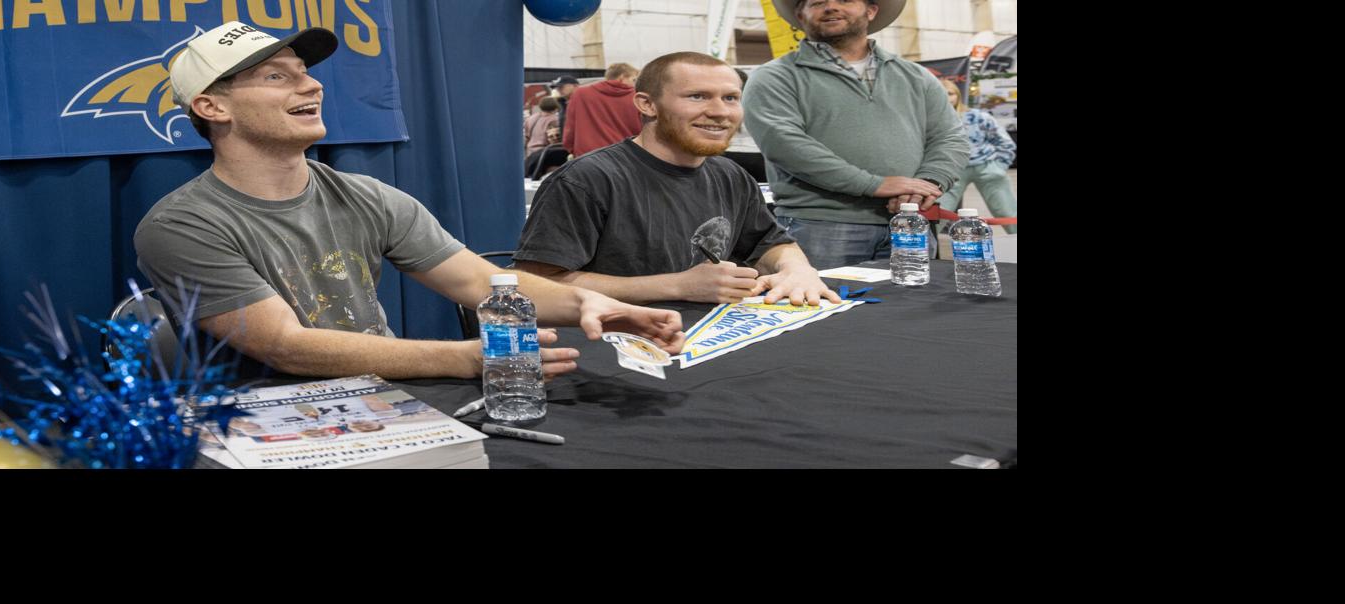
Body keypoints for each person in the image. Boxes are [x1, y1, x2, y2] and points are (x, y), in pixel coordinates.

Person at [132, 22, 683, 383]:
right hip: (262, 425)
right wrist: (466, 359)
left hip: (387, 402)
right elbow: (286, 347)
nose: (310, 87)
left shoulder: (366, 196)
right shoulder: (182, 225)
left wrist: (591, 307)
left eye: (305, 74)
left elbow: (477, 281)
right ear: (211, 106)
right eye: (276, 77)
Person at [514, 52, 837, 307]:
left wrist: (797, 270)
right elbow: (536, 286)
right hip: (616, 352)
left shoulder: (730, 175)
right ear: (647, 104)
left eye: (730, 98)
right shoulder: (587, 181)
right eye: (697, 97)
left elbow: (774, 243)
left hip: (706, 339)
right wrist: (679, 286)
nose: (720, 112)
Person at [743, 0, 970, 269]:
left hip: (910, 225)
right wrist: (873, 184)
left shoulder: (916, 77)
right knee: (824, 308)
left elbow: (950, 138)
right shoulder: (775, 77)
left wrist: (926, 184)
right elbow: (784, 144)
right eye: (817, 2)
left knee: (912, 309)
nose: (830, 7)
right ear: (800, 15)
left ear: (871, 11)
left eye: (845, 0)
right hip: (820, 225)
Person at [939, 77, 1017, 234]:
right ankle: (923, 248)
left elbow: (1005, 142)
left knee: (1006, 211)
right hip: (952, 170)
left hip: (986, 166)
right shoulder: (933, 120)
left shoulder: (978, 116)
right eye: (942, 93)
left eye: (950, 93)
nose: (947, 97)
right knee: (938, 211)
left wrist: (998, 167)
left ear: (958, 95)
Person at [562, 62, 642, 157]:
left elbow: (570, 129)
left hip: (588, 158)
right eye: (633, 80)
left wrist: (572, 150)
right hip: (625, 156)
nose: (634, 84)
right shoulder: (637, 97)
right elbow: (642, 131)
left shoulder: (580, 94)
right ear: (622, 77)